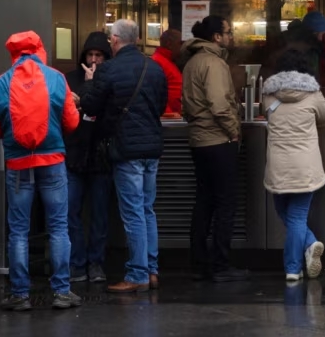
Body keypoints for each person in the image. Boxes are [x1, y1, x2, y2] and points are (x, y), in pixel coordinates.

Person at [0, 31, 82, 311]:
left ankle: (19, 294)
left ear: (12, 53)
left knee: (18, 231)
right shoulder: (55, 78)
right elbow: (72, 123)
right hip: (52, 162)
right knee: (59, 227)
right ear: (39, 49)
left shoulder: (0, 83)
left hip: (18, 164)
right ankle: (62, 291)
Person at [80, 19, 168, 293]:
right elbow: (162, 105)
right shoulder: (155, 68)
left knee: (132, 213)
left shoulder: (108, 70)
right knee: (146, 209)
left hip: (125, 149)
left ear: (115, 40)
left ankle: (138, 274)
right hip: (152, 147)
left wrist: (90, 85)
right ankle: (151, 269)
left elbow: (92, 107)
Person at [182, 15, 248, 282]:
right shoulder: (214, 63)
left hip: (199, 140)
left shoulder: (192, 62)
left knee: (204, 202)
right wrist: (234, 132)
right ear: (216, 37)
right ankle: (220, 264)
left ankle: (199, 261)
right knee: (225, 203)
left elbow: (186, 105)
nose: (231, 36)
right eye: (228, 32)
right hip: (218, 140)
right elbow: (220, 105)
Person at [261, 49, 325, 281]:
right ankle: (306, 249)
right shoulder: (313, 94)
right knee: (296, 217)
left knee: (284, 211)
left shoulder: (269, 95)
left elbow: (266, 115)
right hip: (305, 166)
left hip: (278, 165)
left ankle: (294, 266)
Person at [64, 31, 113, 284]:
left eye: (99, 56)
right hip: (73, 153)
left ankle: (96, 263)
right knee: (71, 211)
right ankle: (76, 263)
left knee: (99, 214)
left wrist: (88, 95)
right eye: (90, 55)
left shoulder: (109, 80)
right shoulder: (70, 79)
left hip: (100, 154)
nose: (94, 60)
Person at [152, 29, 183, 117]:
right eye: (180, 43)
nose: (182, 47)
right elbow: (155, 94)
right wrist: (169, 114)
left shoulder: (169, 61)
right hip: (170, 120)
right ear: (169, 44)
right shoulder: (158, 62)